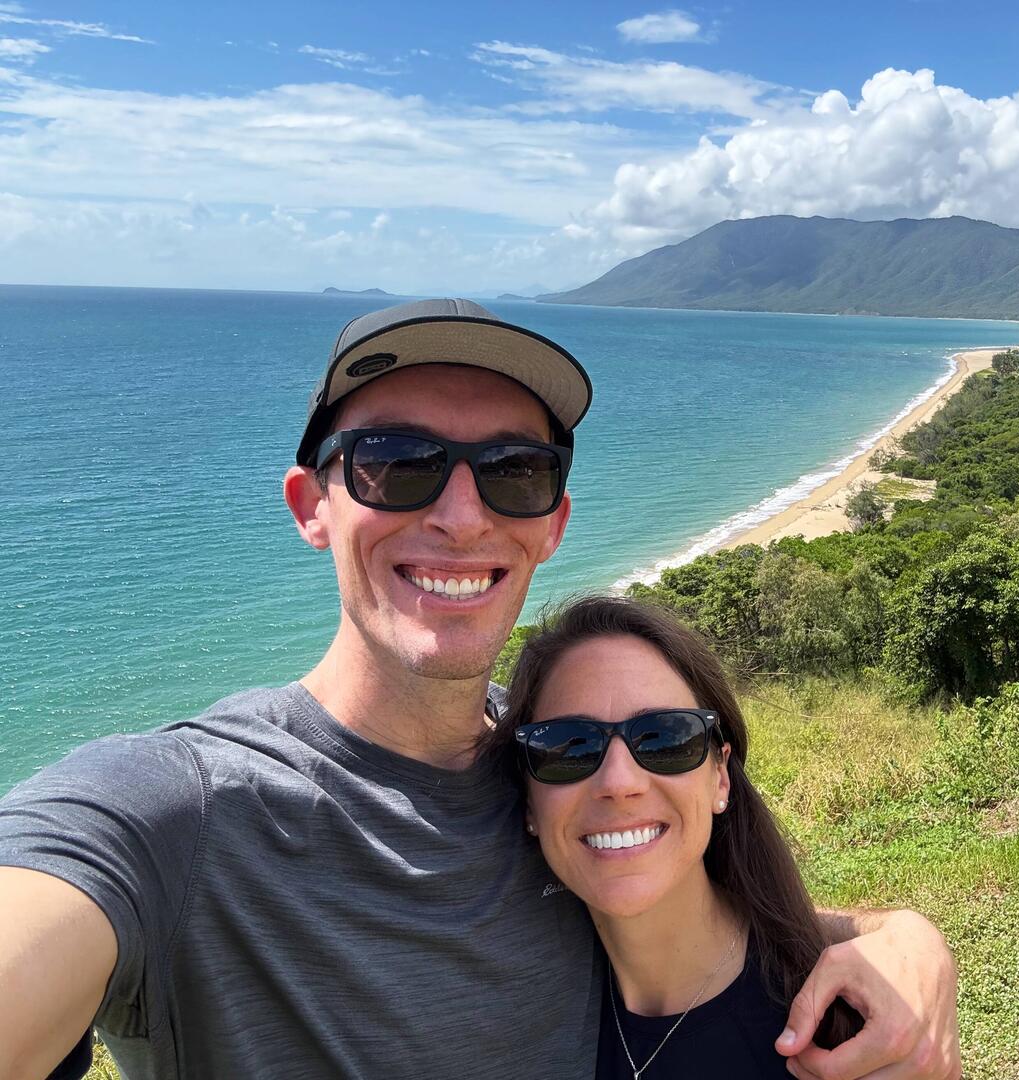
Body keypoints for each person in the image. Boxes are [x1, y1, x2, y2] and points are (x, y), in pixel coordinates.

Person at [0, 299, 961, 1080]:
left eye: (513, 472)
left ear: (552, 523)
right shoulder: (175, 811)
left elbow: (698, 910)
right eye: (396, 464)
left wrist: (902, 936)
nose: (462, 516)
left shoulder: (554, 757)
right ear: (313, 506)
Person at [497, 595, 863, 1078]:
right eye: (568, 747)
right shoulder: (517, 1018)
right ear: (529, 804)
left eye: (666, 738)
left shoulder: (841, 1033)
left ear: (721, 778)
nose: (619, 783)